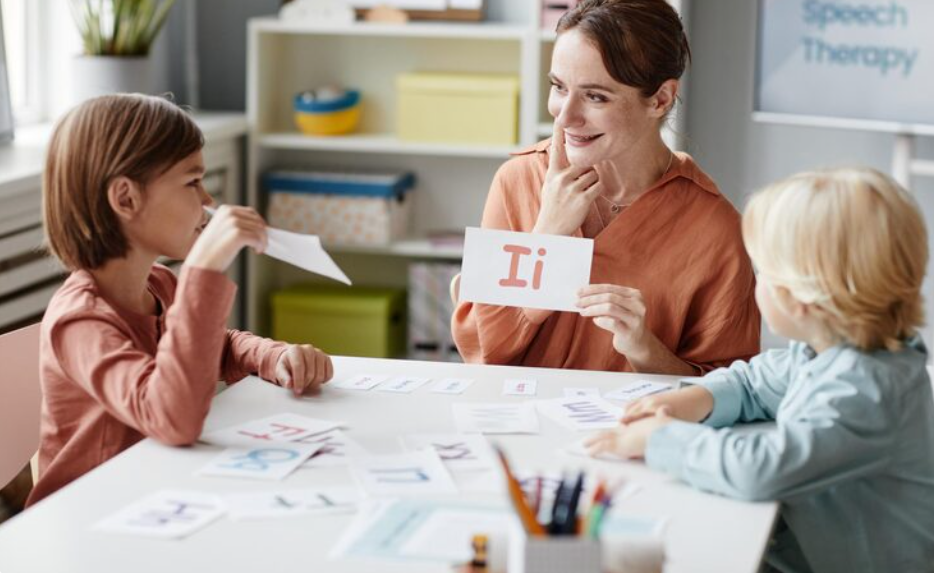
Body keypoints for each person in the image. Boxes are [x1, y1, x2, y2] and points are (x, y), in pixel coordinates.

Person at [586, 167, 934, 572]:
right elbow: (754, 382)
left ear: (802, 299)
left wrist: (662, 439)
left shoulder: (866, 389)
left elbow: (760, 470)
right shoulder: (828, 352)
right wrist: (695, 398)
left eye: (763, 273)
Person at [27, 94, 333, 506]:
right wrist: (203, 272)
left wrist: (273, 356)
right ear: (126, 199)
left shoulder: (159, 285)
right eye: (192, 182)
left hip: (154, 495)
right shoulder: (81, 321)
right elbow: (171, 419)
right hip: (89, 517)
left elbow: (214, 346)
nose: (207, 201)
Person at [452, 0, 759, 375]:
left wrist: (645, 349)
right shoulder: (517, 181)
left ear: (660, 99)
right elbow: (482, 355)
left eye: (596, 96)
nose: (564, 116)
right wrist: (546, 239)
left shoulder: (715, 228)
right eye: (558, 87)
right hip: (515, 426)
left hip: (635, 430)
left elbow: (734, 392)